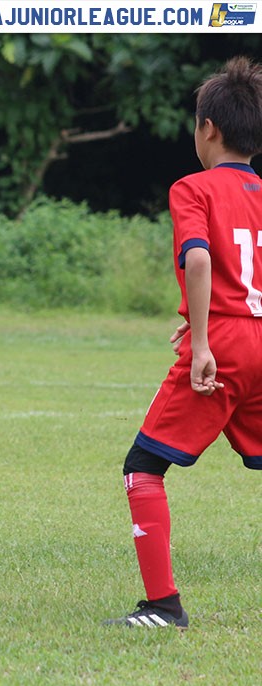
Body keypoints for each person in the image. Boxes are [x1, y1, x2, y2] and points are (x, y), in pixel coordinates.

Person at [105, 57, 262, 630]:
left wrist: (203, 339)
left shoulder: (192, 188)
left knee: (142, 466)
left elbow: (199, 257)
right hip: (257, 334)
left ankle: (162, 607)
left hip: (223, 344)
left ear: (208, 129)